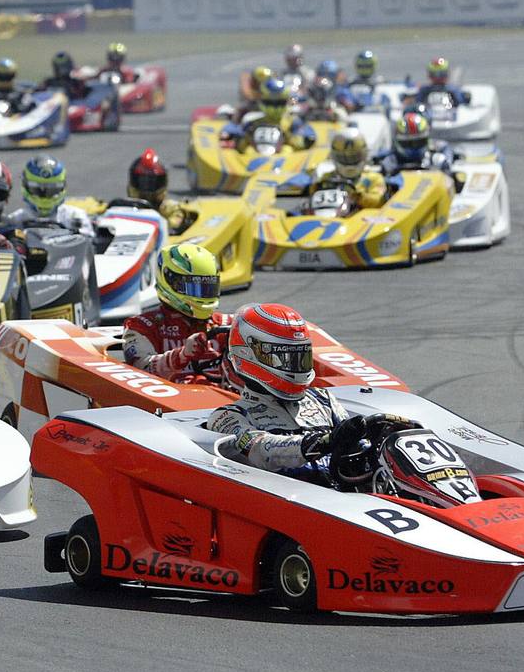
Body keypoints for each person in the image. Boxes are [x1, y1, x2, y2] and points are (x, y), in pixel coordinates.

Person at [207, 304, 367, 478]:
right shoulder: (228, 416)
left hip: (346, 492)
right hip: (288, 498)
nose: (295, 365)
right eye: (284, 357)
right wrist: (320, 443)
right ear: (247, 354)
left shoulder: (323, 399)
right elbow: (260, 450)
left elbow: (354, 440)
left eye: (300, 356)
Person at [123, 244, 230, 382]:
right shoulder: (142, 326)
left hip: (224, 399)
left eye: (207, 288)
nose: (202, 295)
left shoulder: (226, 324)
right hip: (168, 400)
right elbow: (141, 370)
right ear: (171, 281)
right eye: (194, 287)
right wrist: (182, 355)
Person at [7, 155, 94, 237]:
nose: (45, 196)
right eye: (38, 190)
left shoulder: (75, 216)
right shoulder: (16, 220)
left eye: (52, 190)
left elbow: (88, 247)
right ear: (26, 187)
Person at [309, 130, 387, 211]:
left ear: (364, 155)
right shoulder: (327, 178)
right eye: (343, 158)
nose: (349, 161)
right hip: (330, 218)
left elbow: (378, 201)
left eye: (354, 157)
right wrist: (313, 189)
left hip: (359, 220)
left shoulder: (374, 178)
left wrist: (358, 197)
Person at [125, 148, 194, 234]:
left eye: (152, 182)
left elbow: (176, 223)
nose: (147, 188)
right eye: (142, 181)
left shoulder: (169, 208)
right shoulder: (122, 208)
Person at [377, 110, 456, 178]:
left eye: (418, 142)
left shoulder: (437, 161)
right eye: (408, 143)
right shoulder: (390, 162)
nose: (413, 147)